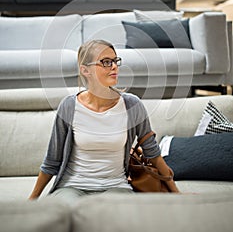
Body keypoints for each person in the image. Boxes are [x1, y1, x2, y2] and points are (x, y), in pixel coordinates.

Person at [29, 39, 179, 204]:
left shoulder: (132, 105)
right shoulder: (69, 106)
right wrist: (31, 201)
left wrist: (178, 194)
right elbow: (51, 162)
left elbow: (153, 155)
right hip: (72, 187)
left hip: (116, 187)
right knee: (63, 216)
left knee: (113, 219)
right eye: (106, 62)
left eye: (115, 61)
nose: (114, 67)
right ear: (85, 70)